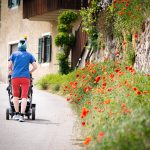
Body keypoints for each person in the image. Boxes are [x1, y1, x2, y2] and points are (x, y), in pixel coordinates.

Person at [8, 38, 37, 122]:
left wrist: (11, 71)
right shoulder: (29, 55)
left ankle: (16, 114)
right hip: (25, 78)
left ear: (18, 46)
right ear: (25, 46)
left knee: (15, 96)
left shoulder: (14, 54)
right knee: (24, 96)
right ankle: (22, 115)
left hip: (15, 77)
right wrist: (30, 72)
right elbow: (35, 66)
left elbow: (9, 66)